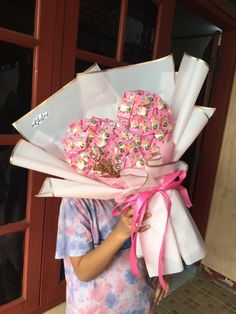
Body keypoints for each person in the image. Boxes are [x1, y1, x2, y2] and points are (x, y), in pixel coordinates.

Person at [56, 197, 171, 314]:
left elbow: (158, 238)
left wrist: (164, 270)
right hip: (94, 308)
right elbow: (83, 272)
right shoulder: (75, 201)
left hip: (142, 302)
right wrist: (120, 232)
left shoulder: (143, 190)